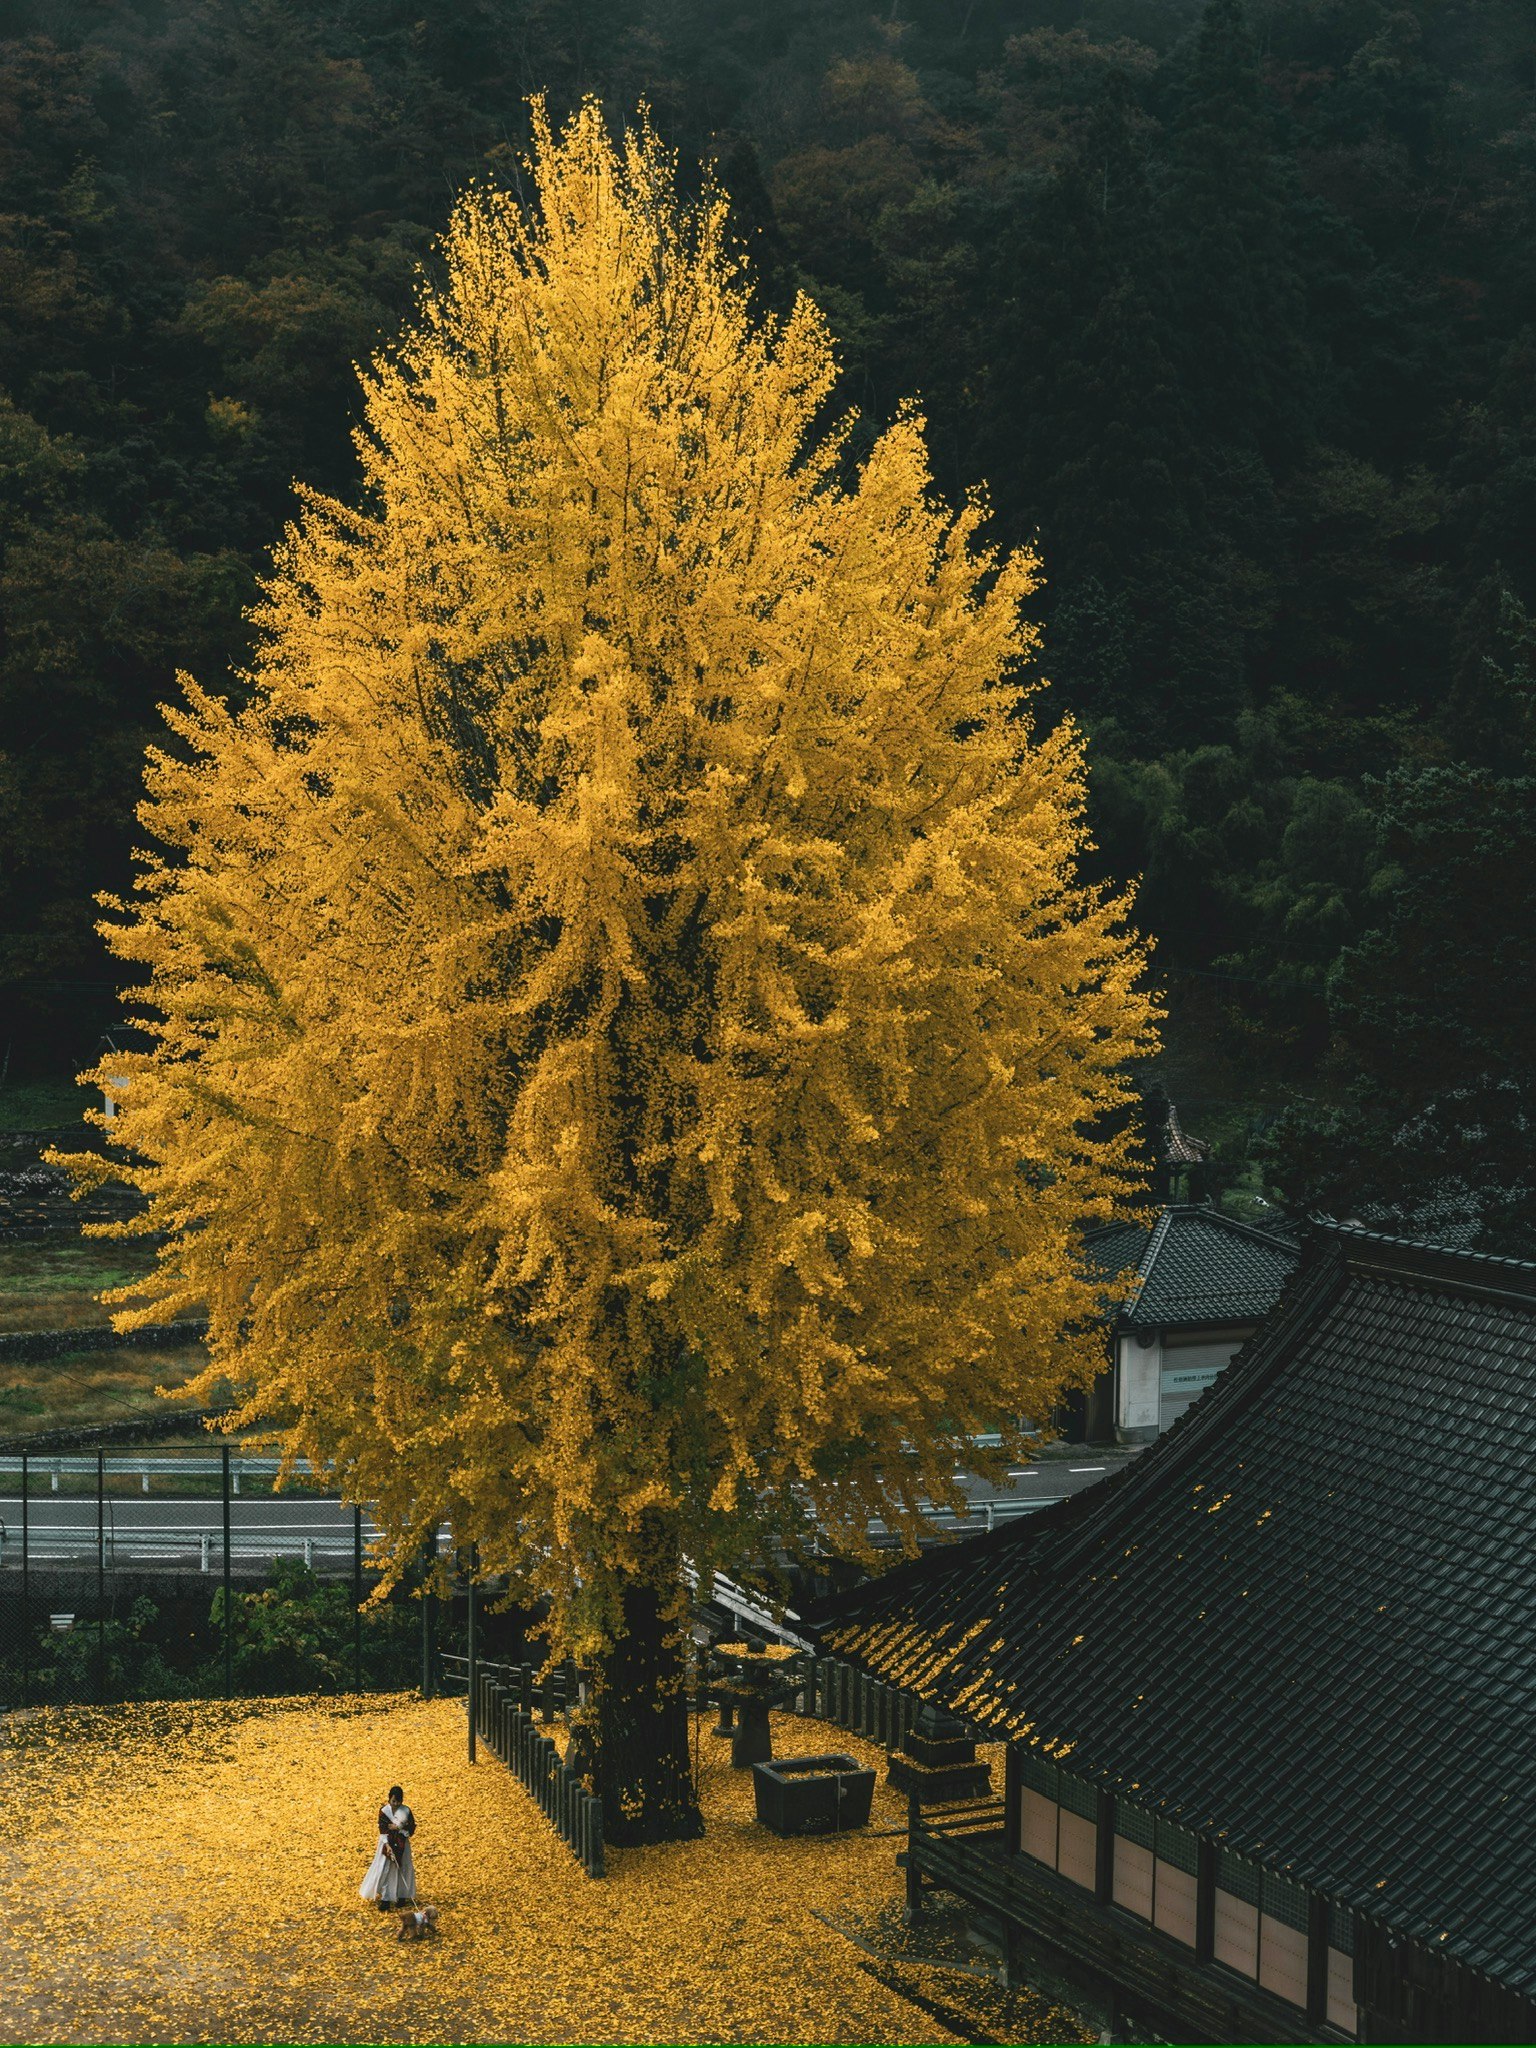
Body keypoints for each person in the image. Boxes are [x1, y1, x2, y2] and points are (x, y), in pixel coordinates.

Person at [359, 1785, 417, 1909]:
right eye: (393, 1801)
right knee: (386, 1868)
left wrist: (399, 1827)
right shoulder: (384, 1811)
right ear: (389, 1799)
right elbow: (383, 1829)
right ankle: (386, 1898)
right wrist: (387, 1845)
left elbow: (411, 1827)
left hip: (402, 1843)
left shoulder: (406, 1811)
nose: (396, 1804)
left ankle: (402, 1895)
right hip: (387, 1842)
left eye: (398, 1801)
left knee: (402, 1867)